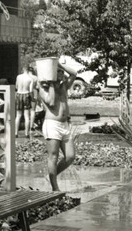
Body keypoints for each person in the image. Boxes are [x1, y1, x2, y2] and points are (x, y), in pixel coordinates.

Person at [38, 62, 77, 191]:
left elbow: (74, 73)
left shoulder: (64, 86)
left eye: (61, 72)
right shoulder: (43, 88)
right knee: (53, 156)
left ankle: (50, 176)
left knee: (70, 156)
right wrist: (51, 85)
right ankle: (55, 188)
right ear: (52, 74)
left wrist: (59, 64)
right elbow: (51, 101)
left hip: (64, 125)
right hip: (52, 125)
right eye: (58, 72)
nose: (62, 74)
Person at [15, 65, 34, 139]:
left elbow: (16, 86)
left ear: (23, 69)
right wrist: (32, 98)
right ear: (29, 70)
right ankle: (26, 133)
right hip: (26, 95)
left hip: (19, 94)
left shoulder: (18, 77)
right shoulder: (30, 79)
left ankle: (16, 133)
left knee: (18, 115)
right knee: (26, 116)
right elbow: (31, 90)